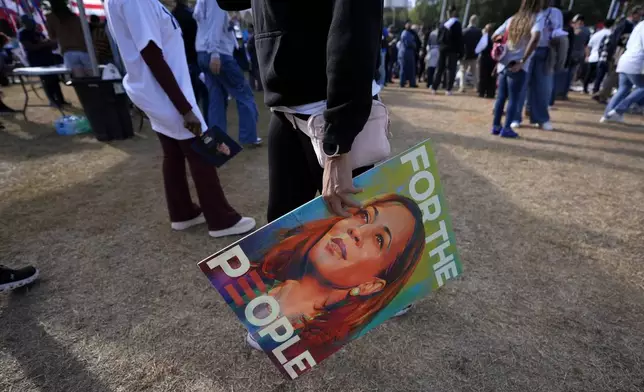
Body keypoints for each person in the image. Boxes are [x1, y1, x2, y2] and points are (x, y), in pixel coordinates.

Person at [104, 0, 256, 238]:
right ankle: (221, 219)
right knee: (200, 150)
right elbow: (150, 52)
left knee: (173, 151)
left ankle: (182, 212)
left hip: (159, 89)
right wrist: (184, 107)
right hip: (166, 91)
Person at [242, 194, 425, 351]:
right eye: (364, 216)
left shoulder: (312, 344)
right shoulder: (248, 275)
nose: (357, 231)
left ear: (370, 285)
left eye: (379, 239)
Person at [194, 0, 261, 146]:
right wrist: (215, 53)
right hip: (217, 53)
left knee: (216, 97)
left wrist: (228, 24)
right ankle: (249, 137)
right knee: (244, 93)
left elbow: (207, 23)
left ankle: (217, 141)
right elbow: (214, 24)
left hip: (203, 52)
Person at [491, 0, 543, 138]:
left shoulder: (512, 19)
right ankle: (507, 128)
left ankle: (496, 126)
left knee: (501, 97)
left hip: (504, 63)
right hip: (518, 64)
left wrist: (502, 46)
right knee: (514, 98)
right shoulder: (536, 19)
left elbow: (494, 35)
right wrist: (523, 59)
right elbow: (536, 37)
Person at [515, 0, 562, 131]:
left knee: (543, 87)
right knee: (521, 86)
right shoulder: (528, 12)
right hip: (526, 50)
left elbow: (559, 29)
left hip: (545, 51)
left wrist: (557, 37)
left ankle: (541, 118)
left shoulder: (556, 13)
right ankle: (515, 117)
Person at [594, 7, 643, 104]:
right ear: (633, 14)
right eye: (639, 15)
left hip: (624, 51)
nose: (640, 17)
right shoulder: (625, 24)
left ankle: (604, 93)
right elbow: (616, 39)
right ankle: (602, 94)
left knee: (616, 75)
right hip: (619, 51)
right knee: (614, 74)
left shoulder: (631, 24)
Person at [600, 19, 644, 124]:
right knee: (642, 87)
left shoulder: (639, 24)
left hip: (625, 58)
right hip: (636, 60)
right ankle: (618, 110)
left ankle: (607, 115)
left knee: (623, 88)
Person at [18, 16, 68, 107]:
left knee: (55, 79)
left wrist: (52, 43)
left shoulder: (38, 33)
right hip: (37, 60)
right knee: (47, 81)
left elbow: (50, 45)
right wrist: (45, 44)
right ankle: (53, 101)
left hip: (48, 58)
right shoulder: (23, 34)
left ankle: (61, 99)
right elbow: (30, 47)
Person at [172, 0, 208, 123]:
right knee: (202, 94)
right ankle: (204, 122)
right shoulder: (190, 16)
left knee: (191, 96)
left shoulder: (173, 16)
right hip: (194, 59)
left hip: (183, 61)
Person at [46, 0, 92, 77]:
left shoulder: (51, 18)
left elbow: (52, 37)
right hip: (84, 50)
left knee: (80, 82)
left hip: (68, 51)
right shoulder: (74, 16)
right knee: (95, 79)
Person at [431, 5, 463, 95]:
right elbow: (459, 39)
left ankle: (434, 87)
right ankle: (448, 89)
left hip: (442, 49)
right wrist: (461, 51)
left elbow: (438, 38)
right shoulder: (457, 24)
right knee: (450, 69)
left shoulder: (442, 23)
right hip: (452, 50)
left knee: (439, 68)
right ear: (454, 12)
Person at [584, 19, 614, 94]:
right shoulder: (611, 34)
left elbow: (588, 46)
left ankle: (585, 88)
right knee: (599, 76)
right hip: (603, 57)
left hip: (593, 56)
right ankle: (595, 90)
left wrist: (587, 56)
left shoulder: (597, 33)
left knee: (589, 74)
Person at [460, 15, 482, 93]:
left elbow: (461, 43)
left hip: (465, 54)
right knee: (475, 72)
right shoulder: (479, 31)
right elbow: (481, 44)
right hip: (474, 54)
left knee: (463, 71)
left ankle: (462, 87)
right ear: (476, 22)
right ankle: (476, 87)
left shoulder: (464, 31)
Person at [477, 23, 497, 99]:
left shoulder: (483, 38)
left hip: (484, 58)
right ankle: (490, 93)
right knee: (492, 77)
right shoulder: (497, 38)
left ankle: (481, 92)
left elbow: (479, 49)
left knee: (483, 76)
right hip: (493, 59)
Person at [398, 22, 418, 88]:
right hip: (406, 53)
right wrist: (415, 44)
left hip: (405, 53)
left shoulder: (405, 33)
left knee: (406, 68)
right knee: (406, 68)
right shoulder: (406, 33)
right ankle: (406, 83)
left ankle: (404, 82)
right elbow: (409, 44)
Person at [246, 24, 262, 91]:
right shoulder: (256, 35)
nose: (249, 29)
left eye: (249, 28)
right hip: (256, 55)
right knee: (253, 71)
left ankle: (258, 87)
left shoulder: (253, 36)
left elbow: (249, 47)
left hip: (254, 56)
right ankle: (253, 86)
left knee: (255, 71)